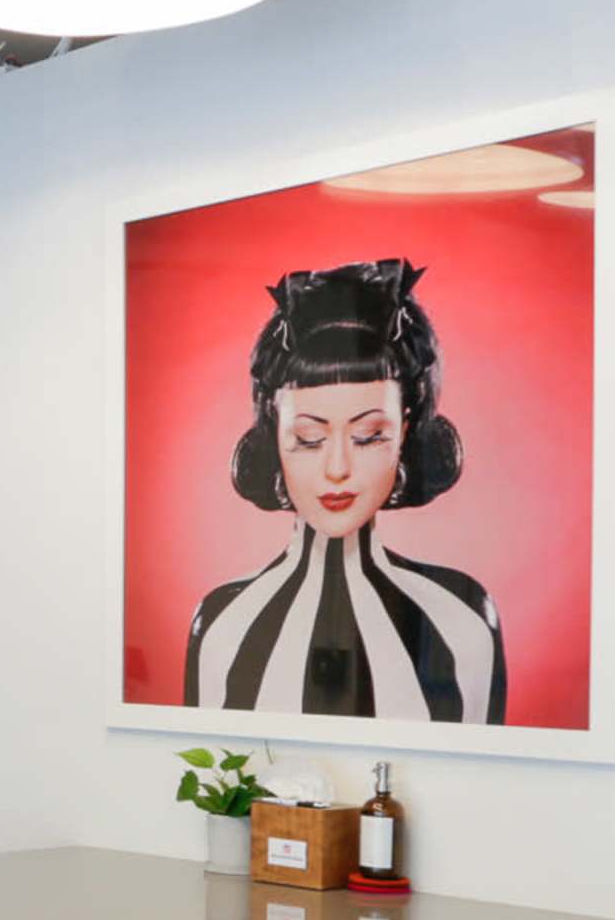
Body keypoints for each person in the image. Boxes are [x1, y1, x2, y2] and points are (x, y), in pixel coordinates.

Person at [182, 257, 507, 722]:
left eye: (369, 436)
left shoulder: (461, 617)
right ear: (275, 435)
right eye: (310, 438)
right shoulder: (222, 622)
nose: (338, 468)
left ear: (405, 433)